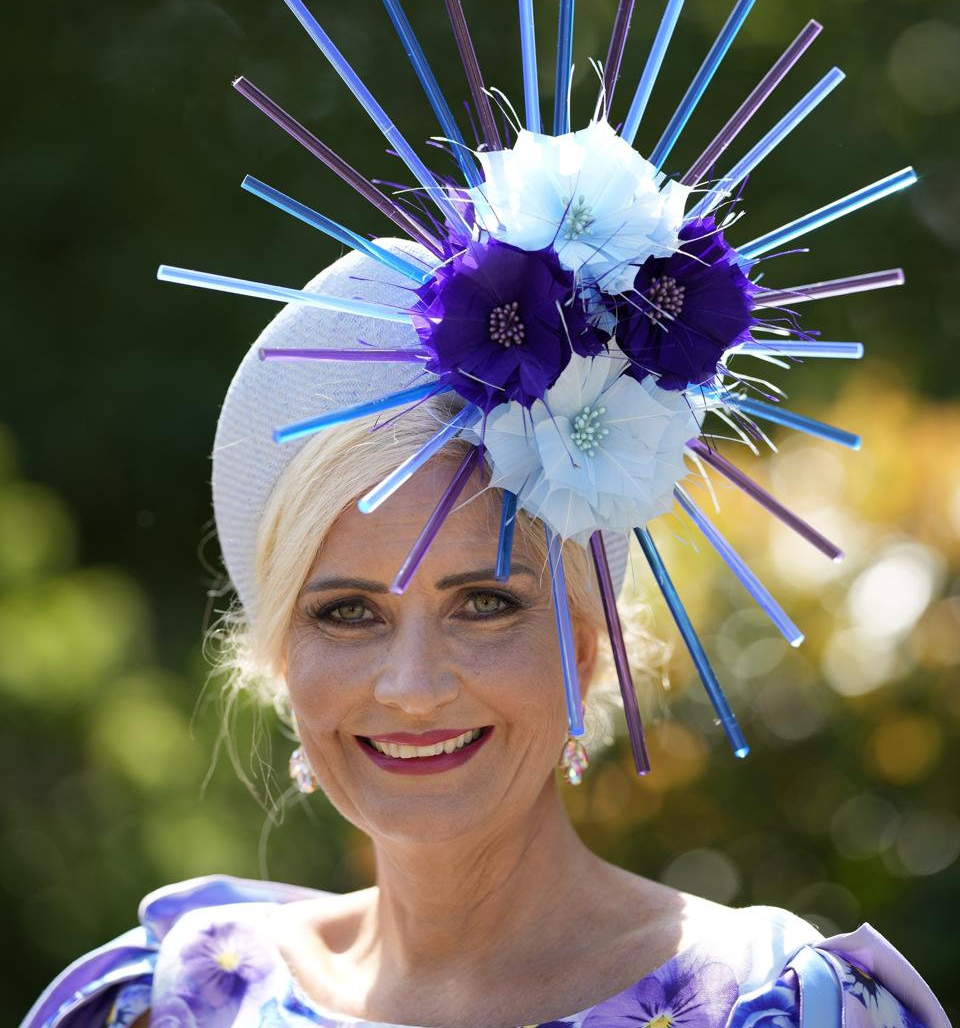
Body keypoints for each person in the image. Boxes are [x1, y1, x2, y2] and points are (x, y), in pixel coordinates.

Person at [20, 245, 951, 1028]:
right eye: (348, 613)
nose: (413, 686)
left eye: (484, 604)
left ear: (585, 648)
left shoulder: (776, 1007)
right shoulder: (169, 1003)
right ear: (278, 660)